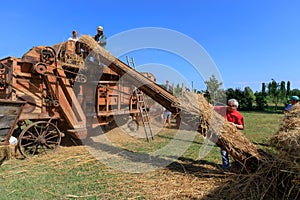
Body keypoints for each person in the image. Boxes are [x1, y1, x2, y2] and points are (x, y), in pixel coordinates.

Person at [221, 98, 244, 170]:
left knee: (235, 152)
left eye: (229, 105)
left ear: (235, 106)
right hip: (224, 135)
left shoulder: (238, 115)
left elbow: (242, 127)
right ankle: (226, 168)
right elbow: (215, 107)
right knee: (224, 152)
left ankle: (237, 167)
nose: (227, 106)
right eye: (227, 104)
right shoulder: (225, 110)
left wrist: (234, 125)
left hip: (233, 136)